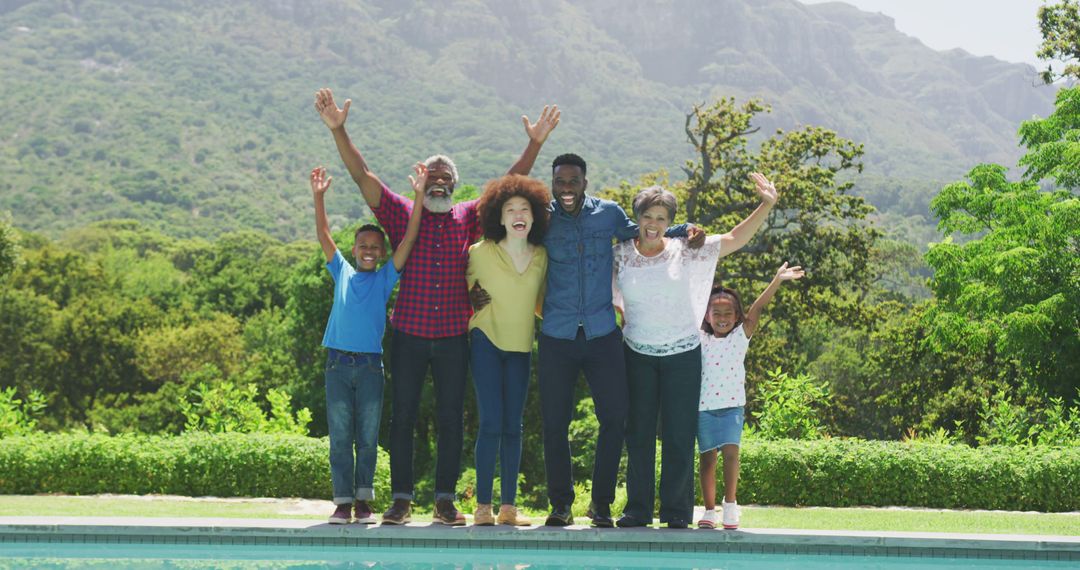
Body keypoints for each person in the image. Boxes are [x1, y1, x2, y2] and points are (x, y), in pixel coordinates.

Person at [314, 88, 558, 525]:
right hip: (407, 333)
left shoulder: (468, 216)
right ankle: (402, 500)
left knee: (450, 418)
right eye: (432, 175)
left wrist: (535, 143)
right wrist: (339, 130)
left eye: (445, 177)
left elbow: (508, 185)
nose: (439, 181)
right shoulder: (401, 212)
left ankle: (445, 501)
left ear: (454, 183)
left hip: (452, 336)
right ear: (422, 179)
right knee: (402, 417)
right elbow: (363, 175)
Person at [532, 153, 701, 527]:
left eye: (573, 181)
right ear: (553, 182)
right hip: (557, 336)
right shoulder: (542, 219)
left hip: (602, 336)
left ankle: (602, 506)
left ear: (585, 182)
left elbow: (641, 230)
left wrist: (686, 229)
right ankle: (560, 505)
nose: (566, 189)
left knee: (615, 418)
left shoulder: (607, 214)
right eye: (560, 182)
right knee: (555, 423)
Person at [610, 175, 777, 529]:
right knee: (638, 433)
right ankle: (637, 510)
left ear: (669, 223)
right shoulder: (620, 255)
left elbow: (734, 239)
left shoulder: (686, 249)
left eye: (661, 218)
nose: (653, 224)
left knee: (679, 433)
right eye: (647, 216)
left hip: (683, 354)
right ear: (636, 219)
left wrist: (766, 205)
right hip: (637, 353)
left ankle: (675, 512)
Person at [309, 164, 425, 525]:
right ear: (355, 249)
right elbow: (324, 234)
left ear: (382, 251)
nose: (369, 251)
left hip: (371, 366)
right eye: (363, 246)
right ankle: (343, 503)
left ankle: (363, 501)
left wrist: (419, 196)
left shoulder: (387, 276)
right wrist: (318, 197)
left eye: (376, 247)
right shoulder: (341, 270)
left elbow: (408, 239)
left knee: (368, 439)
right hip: (338, 365)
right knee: (341, 436)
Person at [466, 174, 551, 526]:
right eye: (510, 209)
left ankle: (508, 509)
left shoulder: (543, 256)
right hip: (484, 340)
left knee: (513, 427)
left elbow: (543, 306)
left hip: (520, 346)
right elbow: (459, 292)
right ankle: (482, 507)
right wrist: (468, 295)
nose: (518, 214)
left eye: (525, 209)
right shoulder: (478, 252)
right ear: (498, 217)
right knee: (491, 423)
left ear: (534, 218)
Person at [696, 262, 804, 530]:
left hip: (732, 407)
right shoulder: (700, 338)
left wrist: (777, 280)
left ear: (737, 316)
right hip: (704, 408)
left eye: (728, 313)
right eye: (716, 312)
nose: (722, 317)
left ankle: (730, 505)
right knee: (708, 459)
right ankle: (709, 511)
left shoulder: (740, 336)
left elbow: (758, 307)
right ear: (707, 316)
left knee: (732, 454)